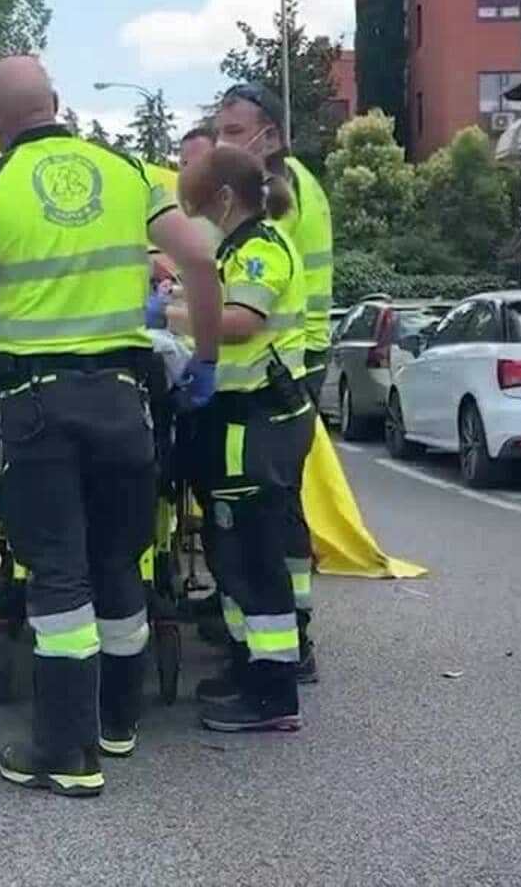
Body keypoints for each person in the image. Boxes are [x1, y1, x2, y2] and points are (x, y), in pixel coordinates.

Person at [0, 56, 223, 797]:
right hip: (124, 402)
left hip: (35, 410)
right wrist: (204, 358)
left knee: (57, 575)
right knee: (121, 562)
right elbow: (204, 262)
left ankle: (62, 752)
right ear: (57, 103)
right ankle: (118, 721)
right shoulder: (129, 175)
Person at [172, 142, 313, 732]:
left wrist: (163, 315)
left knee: (252, 555)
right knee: (229, 551)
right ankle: (246, 662)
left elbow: (239, 323)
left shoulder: (261, 250)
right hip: (234, 418)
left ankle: (272, 690)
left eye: (200, 209)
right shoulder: (235, 248)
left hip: (256, 417)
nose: (198, 223)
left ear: (226, 199)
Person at [212, 82, 329, 680]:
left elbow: (249, 307)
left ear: (270, 137)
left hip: (283, 371)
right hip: (280, 365)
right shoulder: (261, 201)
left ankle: (286, 643)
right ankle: (274, 633)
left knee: (268, 516)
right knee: (265, 515)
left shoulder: (286, 199)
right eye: (219, 133)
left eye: (233, 134)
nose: (220, 145)